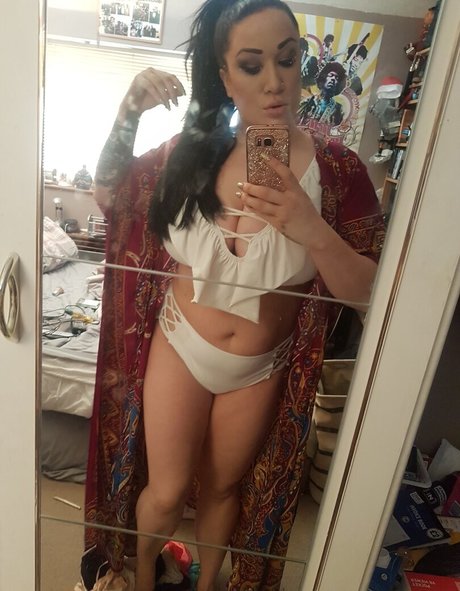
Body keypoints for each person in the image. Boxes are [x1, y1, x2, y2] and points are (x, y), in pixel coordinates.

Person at [82, 1, 385, 590]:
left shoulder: (338, 171)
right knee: (166, 493)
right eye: (251, 65)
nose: (274, 82)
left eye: (288, 60)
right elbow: (109, 195)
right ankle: (143, 579)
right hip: (180, 342)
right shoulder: (190, 154)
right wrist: (128, 112)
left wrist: (312, 229)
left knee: (224, 489)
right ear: (224, 76)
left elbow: (371, 296)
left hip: (261, 365)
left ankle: (206, 584)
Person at [298, 62, 347, 126]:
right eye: (331, 75)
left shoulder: (338, 109)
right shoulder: (309, 101)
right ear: (323, 78)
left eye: (336, 78)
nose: (333, 79)